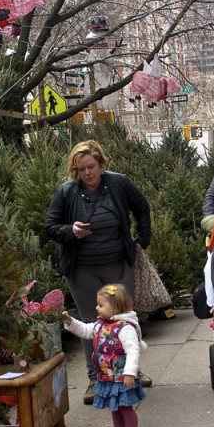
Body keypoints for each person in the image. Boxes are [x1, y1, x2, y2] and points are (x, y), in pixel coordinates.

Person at [46, 140, 152, 405]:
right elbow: (51, 226)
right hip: (82, 270)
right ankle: (95, 378)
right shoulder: (67, 192)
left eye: (91, 167)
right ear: (75, 170)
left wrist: (143, 238)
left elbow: (142, 206)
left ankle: (131, 370)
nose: (87, 173)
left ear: (101, 164)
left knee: (124, 319)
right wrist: (70, 231)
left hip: (118, 264)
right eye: (81, 169)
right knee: (92, 322)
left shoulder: (118, 183)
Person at [62, 283, 147, 427]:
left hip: (122, 377)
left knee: (125, 407)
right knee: (114, 407)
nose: (96, 308)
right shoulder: (101, 324)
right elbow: (86, 330)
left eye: (101, 305)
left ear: (114, 307)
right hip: (107, 376)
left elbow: (133, 350)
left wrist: (130, 372)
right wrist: (70, 322)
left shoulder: (125, 328)